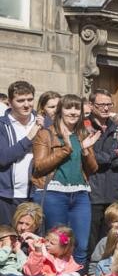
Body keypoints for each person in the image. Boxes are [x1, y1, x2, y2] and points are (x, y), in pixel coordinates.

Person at [31, 95, 100, 264]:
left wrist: (85, 150)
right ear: (61, 110)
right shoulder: (45, 135)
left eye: (77, 108)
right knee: (56, 244)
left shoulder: (82, 134)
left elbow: (93, 169)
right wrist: (66, 149)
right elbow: (39, 166)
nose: (73, 112)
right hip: (54, 194)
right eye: (69, 108)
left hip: (80, 194)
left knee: (81, 244)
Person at [84, 89, 118, 260]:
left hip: (115, 191)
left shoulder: (117, 128)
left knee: (114, 236)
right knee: (92, 237)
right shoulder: (85, 127)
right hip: (94, 191)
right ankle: (92, 272)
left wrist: (107, 160)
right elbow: (90, 157)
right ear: (91, 106)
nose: (106, 108)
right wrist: (114, 155)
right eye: (101, 105)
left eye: (109, 104)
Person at [1, 80, 40, 224]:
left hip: (35, 194)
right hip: (6, 196)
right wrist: (30, 137)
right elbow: (3, 157)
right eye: (21, 100)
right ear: (10, 102)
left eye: (30, 99)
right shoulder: (2, 125)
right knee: (6, 239)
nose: (26, 104)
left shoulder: (43, 122)